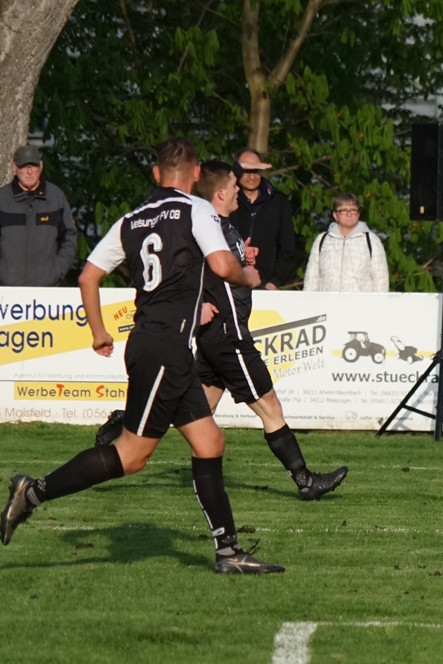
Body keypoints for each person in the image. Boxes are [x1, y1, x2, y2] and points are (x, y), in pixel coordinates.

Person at [1, 138, 283, 574]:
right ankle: (31, 492)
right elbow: (223, 266)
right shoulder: (196, 209)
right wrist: (247, 274)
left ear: (155, 174)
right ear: (195, 175)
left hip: (162, 345)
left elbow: (88, 276)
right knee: (132, 455)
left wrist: (99, 331)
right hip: (164, 346)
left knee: (210, 442)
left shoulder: (131, 220)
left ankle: (229, 553)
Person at [192, 160, 348, 499]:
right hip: (228, 335)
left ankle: (130, 421)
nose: (239, 189)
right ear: (220, 193)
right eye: (233, 185)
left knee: (197, 411)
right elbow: (187, 270)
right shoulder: (208, 228)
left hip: (220, 335)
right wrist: (202, 301)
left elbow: (222, 269)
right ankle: (306, 481)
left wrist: (244, 258)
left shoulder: (222, 226)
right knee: (270, 405)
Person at [0, 144, 78, 286]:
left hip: (47, 291)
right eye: (24, 166)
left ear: (41, 166)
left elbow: (69, 237)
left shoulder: (56, 197)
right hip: (7, 292)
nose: (29, 172)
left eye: (34, 166)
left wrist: (57, 272)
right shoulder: (2, 199)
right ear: (14, 168)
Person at [230, 148, 297, 290]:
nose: (252, 177)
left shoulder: (278, 201)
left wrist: (275, 282)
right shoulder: (227, 201)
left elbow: (288, 249)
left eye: (256, 171)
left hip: (266, 286)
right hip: (232, 283)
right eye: (246, 171)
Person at [303, 193, 389, 292]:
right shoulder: (322, 240)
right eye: (343, 210)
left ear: (358, 214)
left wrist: (380, 301)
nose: (349, 214)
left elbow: (381, 279)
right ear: (335, 215)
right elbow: (311, 277)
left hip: (360, 301)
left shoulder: (371, 240)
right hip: (327, 301)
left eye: (353, 210)